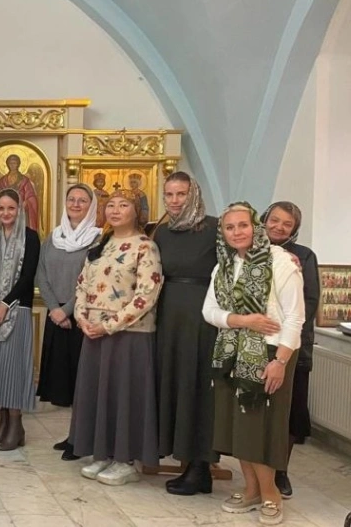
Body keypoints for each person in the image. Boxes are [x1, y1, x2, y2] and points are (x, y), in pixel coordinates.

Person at [203, 202, 305, 525]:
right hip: (232, 353)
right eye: (229, 227)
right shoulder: (222, 266)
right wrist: (242, 319)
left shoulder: (282, 262)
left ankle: (271, 493)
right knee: (238, 428)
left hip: (272, 354)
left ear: (256, 226)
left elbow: (295, 318)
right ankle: (250, 491)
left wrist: (280, 362)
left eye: (242, 225)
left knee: (261, 428)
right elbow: (209, 311)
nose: (237, 232)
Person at [69, 189, 163, 486]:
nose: (115, 210)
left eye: (123, 205)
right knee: (99, 393)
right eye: (110, 205)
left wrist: (110, 325)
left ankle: (125, 460)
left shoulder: (146, 247)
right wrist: (81, 317)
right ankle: (103, 453)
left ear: (137, 211)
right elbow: (82, 284)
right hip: (94, 332)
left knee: (125, 394)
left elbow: (147, 294)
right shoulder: (101, 244)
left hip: (129, 334)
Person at [152, 171, 220, 495]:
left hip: (201, 318)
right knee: (175, 383)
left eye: (181, 194)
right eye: (169, 195)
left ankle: (200, 466)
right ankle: (182, 458)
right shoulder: (162, 232)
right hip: (168, 316)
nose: (175, 201)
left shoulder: (214, 228)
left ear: (193, 194)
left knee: (197, 387)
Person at [36, 184, 101, 461]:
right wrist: (54, 308)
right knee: (65, 382)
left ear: (91, 206)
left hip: (82, 318)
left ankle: (84, 439)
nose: (76, 204)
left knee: (83, 383)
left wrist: (68, 310)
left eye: (82, 200)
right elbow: (41, 273)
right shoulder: (54, 237)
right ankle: (74, 435)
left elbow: (92, 280)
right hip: (56, 317)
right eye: (71, 199)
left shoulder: (98, 239)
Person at [260, 201, 319, 500]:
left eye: (287, 224)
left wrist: (290, 342)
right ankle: (257, 472)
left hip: (291, 347)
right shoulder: (249, 249)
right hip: (255, 343)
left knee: (289, 413)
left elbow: (308, 304)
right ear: (264, 219)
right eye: (275, 220)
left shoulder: (304, 256)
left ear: (295, 229)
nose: (279, 227)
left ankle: (280, 471)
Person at [0, 189, 40, 450]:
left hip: (18, 310)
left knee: (14, 369)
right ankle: (4, 423)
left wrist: (4, 304)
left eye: (11, 208)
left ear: (20, 209)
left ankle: (16, 426)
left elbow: (27, 276)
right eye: (1, 208)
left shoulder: (30, 237)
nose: (6, 213)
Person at [0, 154, 41, 232]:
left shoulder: (24, 180)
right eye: (11, 163)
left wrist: (26, 202)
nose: (12, 165)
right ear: (7, 164)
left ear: (18, 164)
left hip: (21, 212)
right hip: (5, 214)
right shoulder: (3, 180)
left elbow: (31, 196)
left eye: (14, 163)